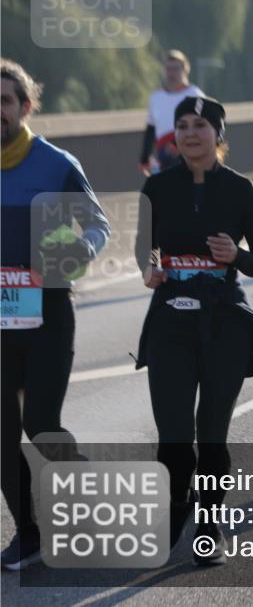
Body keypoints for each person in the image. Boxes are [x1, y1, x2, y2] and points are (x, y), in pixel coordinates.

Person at [133, 95, 253, 566]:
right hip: (170, 322)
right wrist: (149, 268)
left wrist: (237, 257)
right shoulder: (156, 187)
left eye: (201, 125)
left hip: (225, 324)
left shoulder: (241, 190)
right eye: (182, 125)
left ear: (218, 136)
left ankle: (208, 526)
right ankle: (177, 507)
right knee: (172, 435)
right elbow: (143, 248)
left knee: (211, 436)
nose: (190, 133)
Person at [1, 58, 111, 570]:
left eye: (5, 101)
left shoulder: (56, 163)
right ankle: (29, 534)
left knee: (41, 424)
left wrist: (77, 252)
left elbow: (97, 225)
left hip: (47, 313)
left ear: (25, 107)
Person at [139, 50, 204, 177]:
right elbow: (151, 128)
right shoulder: (156, 97)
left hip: (189, 155)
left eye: (175, 68)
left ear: (185, 69)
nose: (171, 73)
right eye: (168, 69)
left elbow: (203, 125)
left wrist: (178, 143)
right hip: (163, 157)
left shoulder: (194, 94)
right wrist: (144, 158)